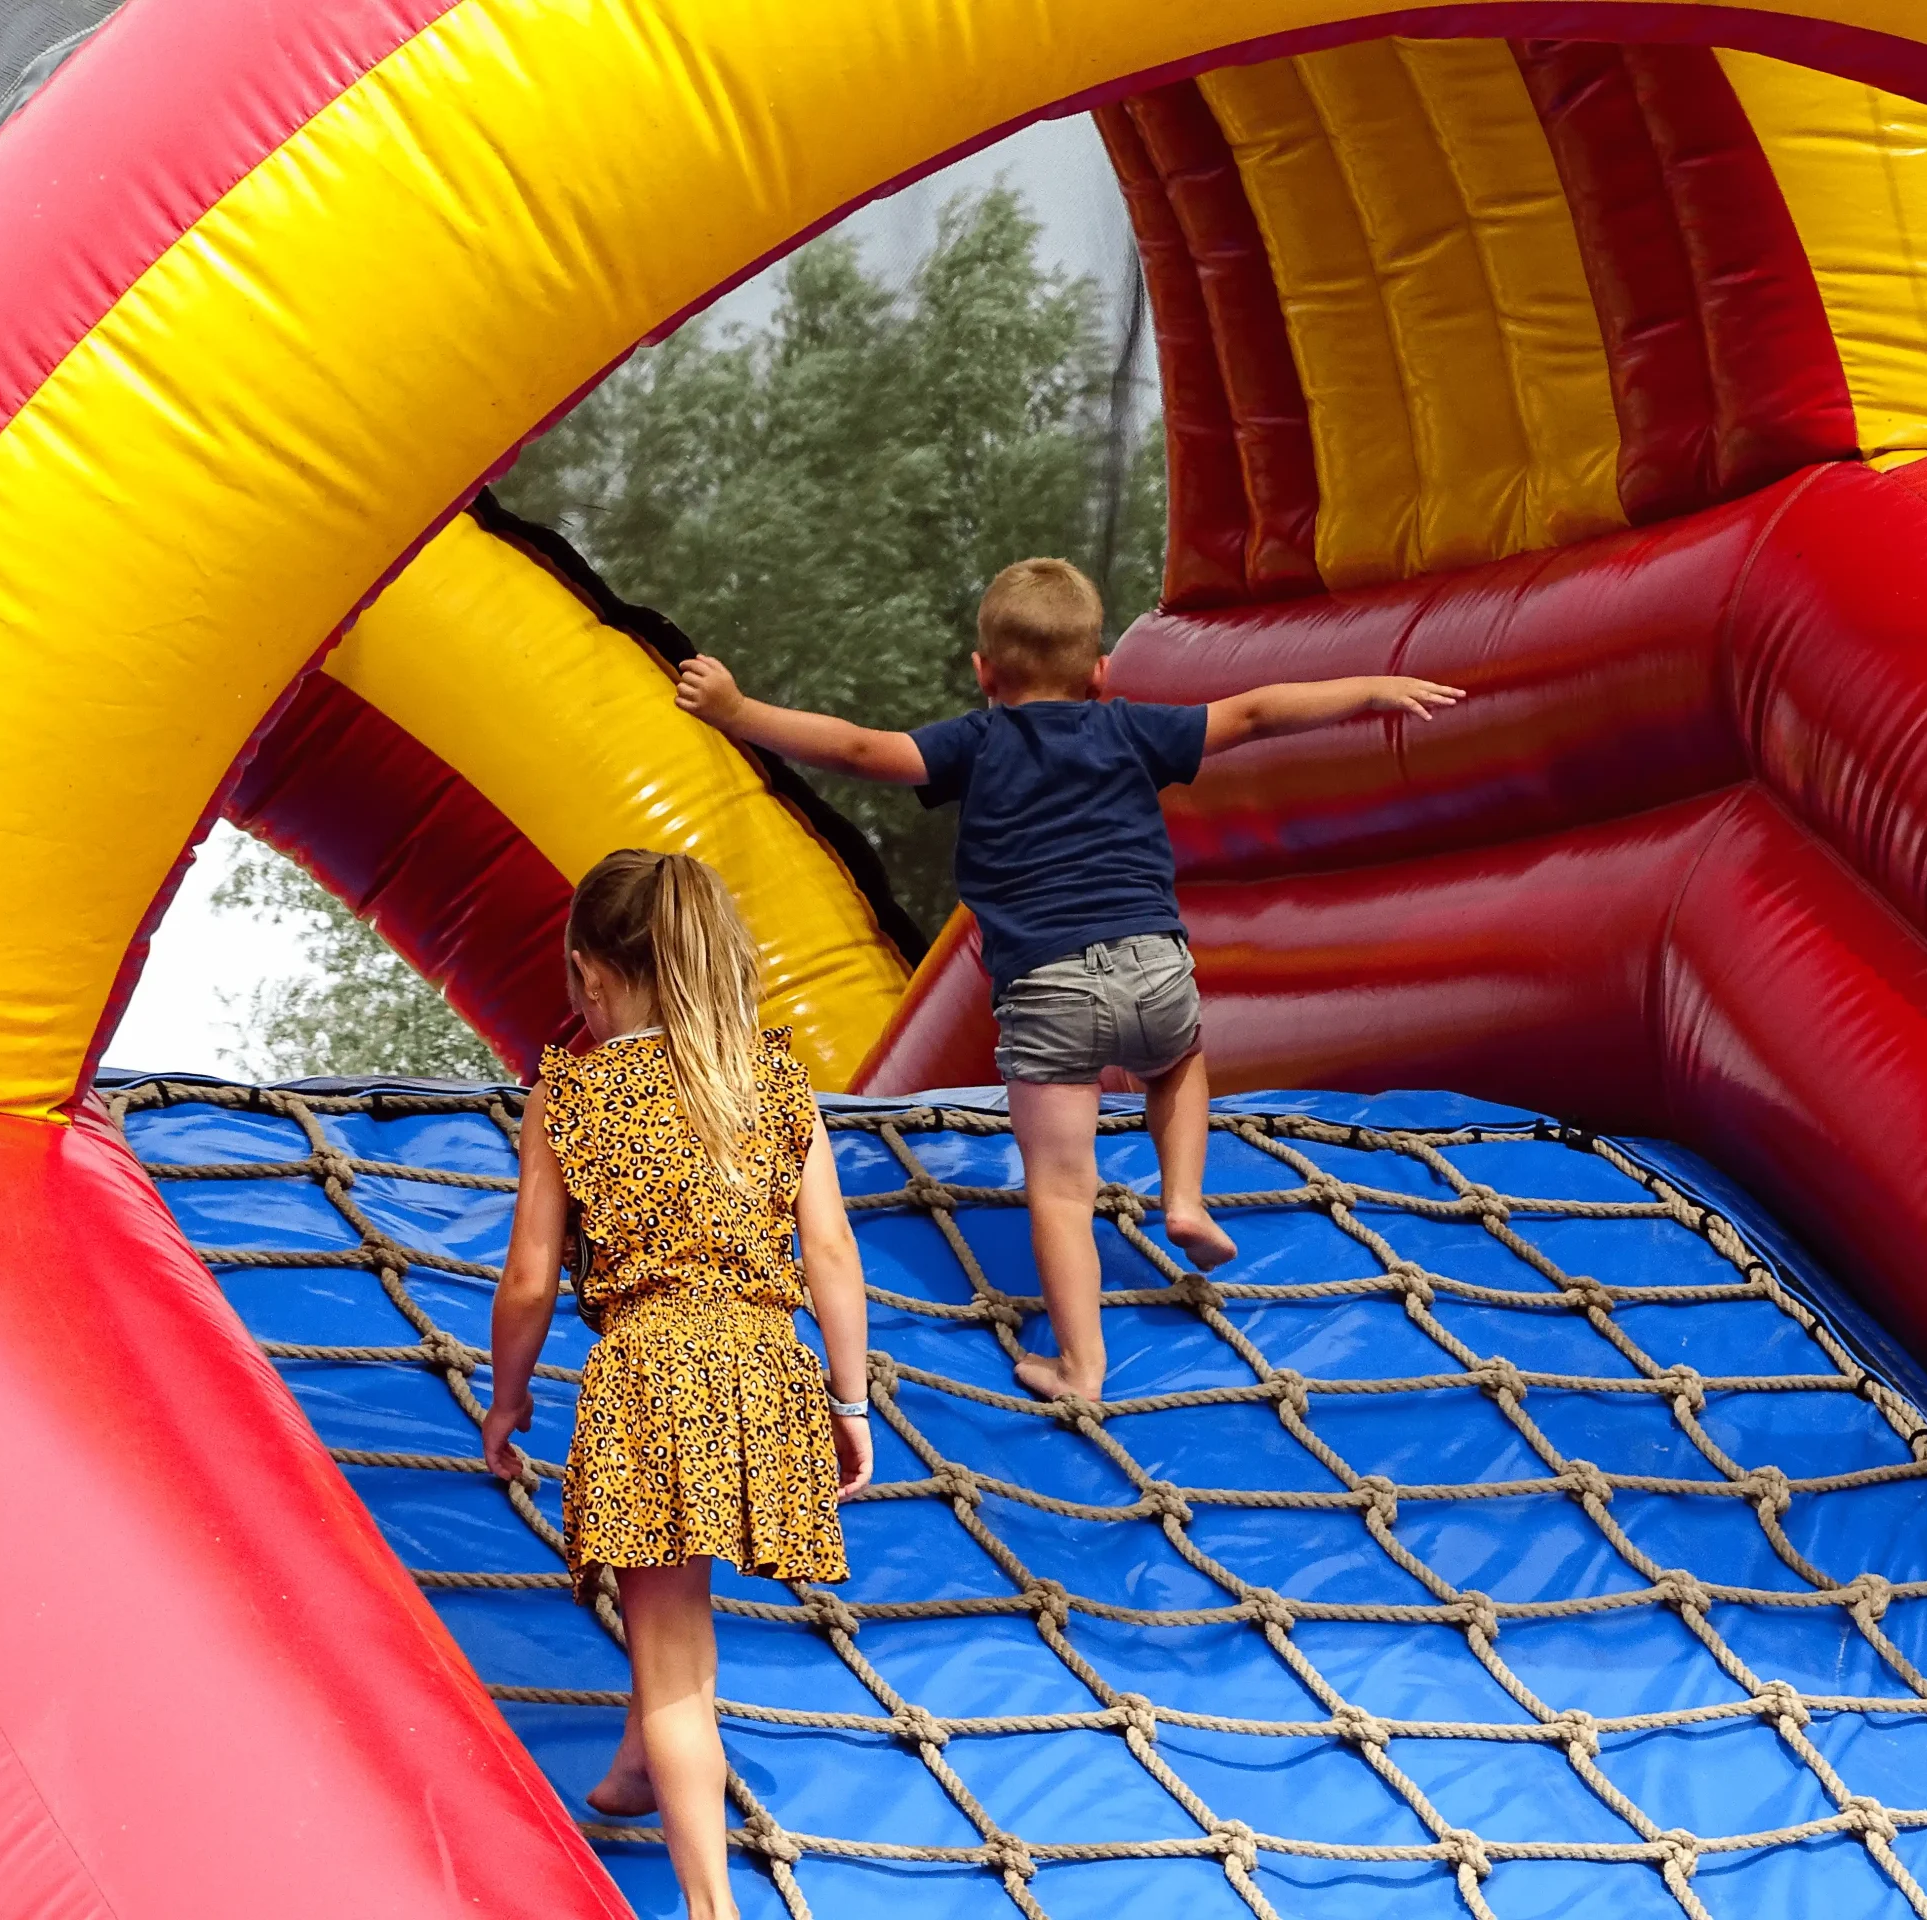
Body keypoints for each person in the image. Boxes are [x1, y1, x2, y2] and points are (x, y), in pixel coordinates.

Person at [674, 556, 1461, 1406]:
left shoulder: (973, 745)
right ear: (1100, 672)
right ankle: (1186, 1198)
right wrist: (1370, 688)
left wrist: (738, 710)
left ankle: (1079, 1367)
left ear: (983, 672)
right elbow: (1262, 710)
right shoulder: (1131, 728)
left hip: (1049, 990)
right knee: (1179, 1062)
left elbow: (863, 751)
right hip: (1156, 970)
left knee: (1058, 1185)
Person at [483, 849, 876, 1920]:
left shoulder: (575, 1094)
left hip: (653, 1369)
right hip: (764, 1365)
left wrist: (506, 1396)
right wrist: (850, 1401)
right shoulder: (772, 1077)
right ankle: (628, 1774)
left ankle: (709, 1904)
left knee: (670, 1651)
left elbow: (526, 1280)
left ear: (590, 975)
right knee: (674, 1591)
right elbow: (832, 1252)